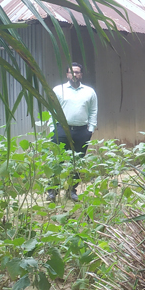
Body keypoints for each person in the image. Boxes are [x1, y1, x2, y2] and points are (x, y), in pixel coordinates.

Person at [48, 62, 97, 201]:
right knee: (58, 161)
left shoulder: (89, 92)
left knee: (77, 162)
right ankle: (52, 190)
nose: (74, 75)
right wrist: (53, 129)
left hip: (82, 131)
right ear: (67, 74)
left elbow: (93, 111)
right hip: (61, 130)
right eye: (71, 72)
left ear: (81, 74)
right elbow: (51, 110)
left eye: (77, 72)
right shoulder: (58, 90)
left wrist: (90, 129)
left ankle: (71, 191)